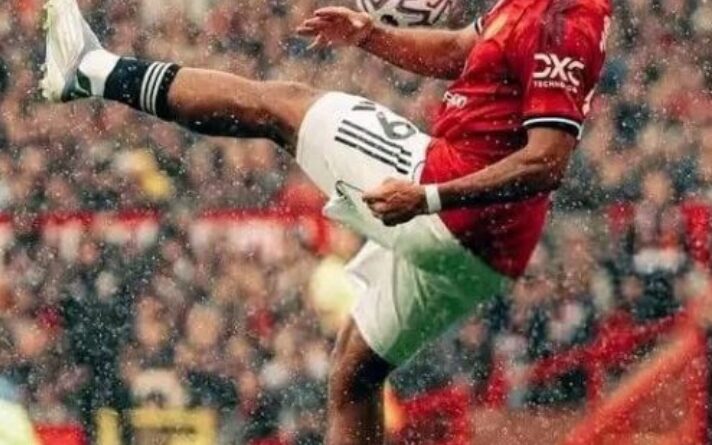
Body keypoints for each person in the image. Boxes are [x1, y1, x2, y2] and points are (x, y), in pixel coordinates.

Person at [41, 0, 611, 442]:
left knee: (280, 105)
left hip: (448, 205)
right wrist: (370, 35)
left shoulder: (564, 17)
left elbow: (546, 162)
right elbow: (461, 51)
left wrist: (429, 197)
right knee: (355, 375)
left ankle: (92, 69)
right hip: (486, 254)